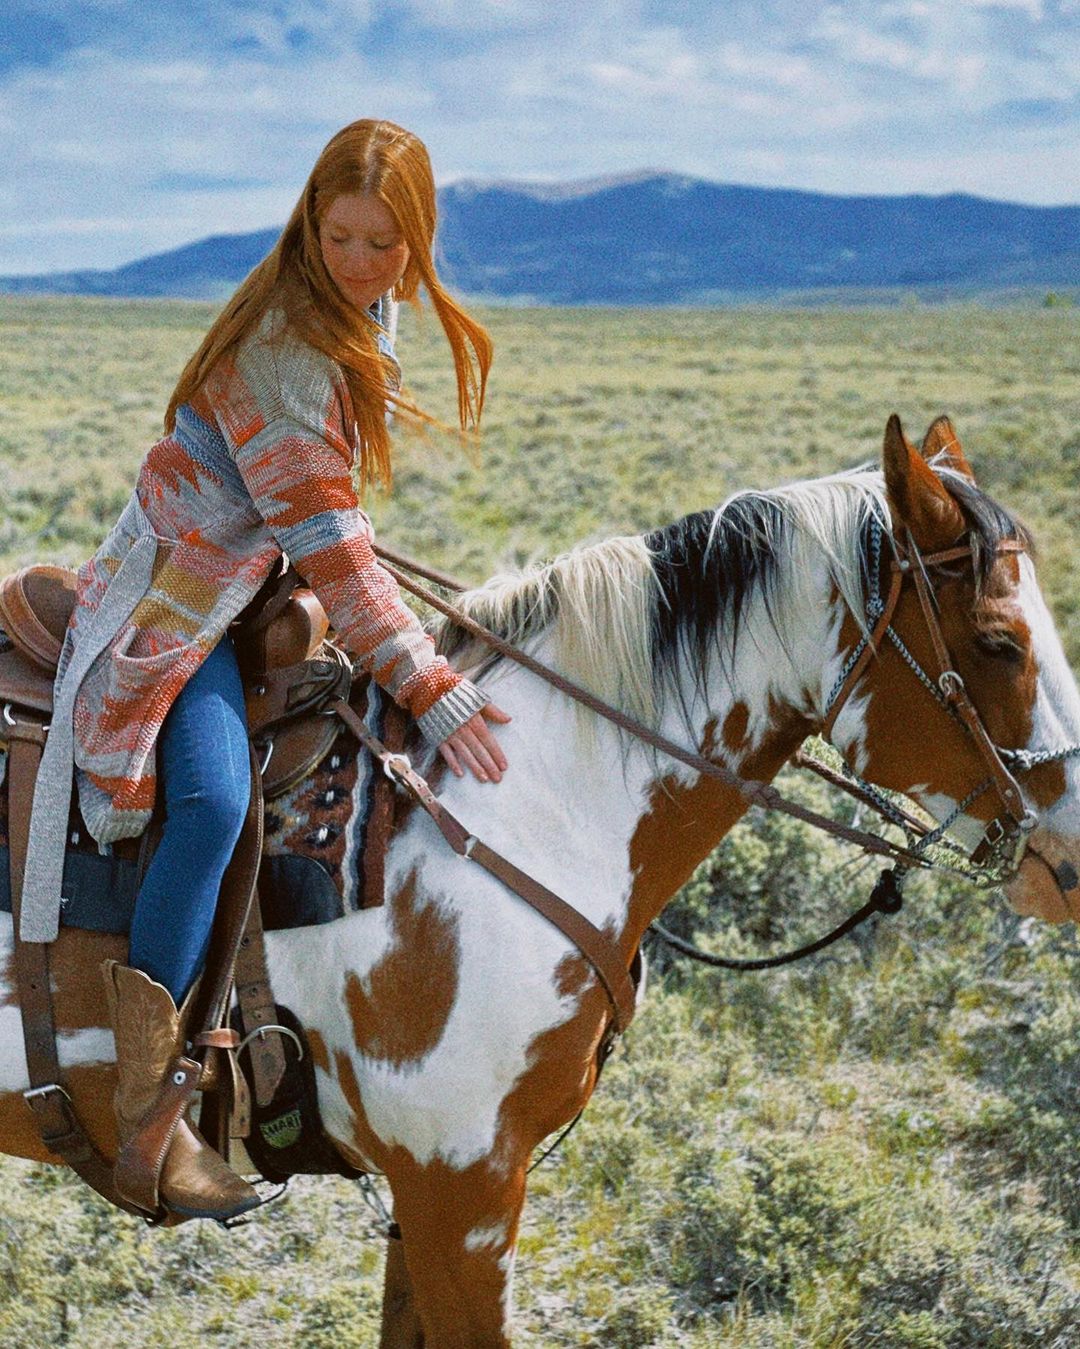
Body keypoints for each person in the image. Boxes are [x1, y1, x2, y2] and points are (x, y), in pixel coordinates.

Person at [21, 119, 510, 1220]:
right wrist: (430, 685)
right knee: (209, 802)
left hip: (243, 590)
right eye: (340, 238)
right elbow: (330, 545)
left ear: (418, 239)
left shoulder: (357, 317)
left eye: (384, 243)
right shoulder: (289, 349)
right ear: (309, 224)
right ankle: (149, 1113)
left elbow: (323, 521)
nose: (360, 262)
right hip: (177, 606)